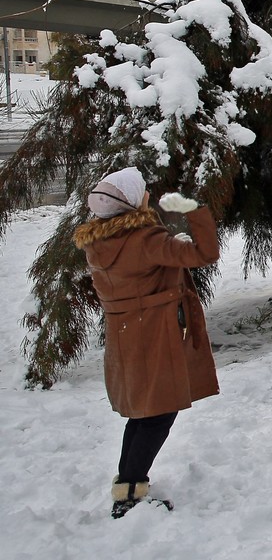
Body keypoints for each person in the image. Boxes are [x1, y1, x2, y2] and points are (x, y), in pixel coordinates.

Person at [72, 167, 220, 519]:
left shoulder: (98, 241)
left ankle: (128, 485)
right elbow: (205, 253)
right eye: (143, 192)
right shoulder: (145, 240)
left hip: (125, 335)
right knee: (158, 414)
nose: (148, 196)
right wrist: (194, 208)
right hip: (155, 333)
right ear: (132, 200)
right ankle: (129, 495)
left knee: (142, 413)